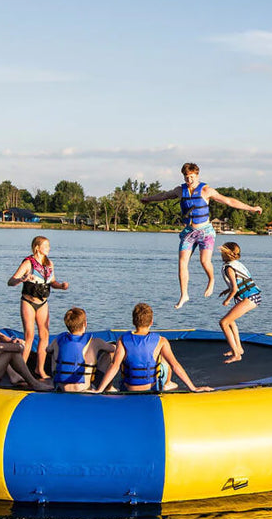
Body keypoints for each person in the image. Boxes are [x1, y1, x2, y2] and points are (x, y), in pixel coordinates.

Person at [140, 162, 263, 309]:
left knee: (204, 261)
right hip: (189, 233)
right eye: (186, 177)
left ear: (197, 175)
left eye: (191, 177)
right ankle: (184, 294)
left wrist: (251, 208)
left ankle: (211, 280)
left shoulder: (206, 190)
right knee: (182, 264)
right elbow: (164, 196)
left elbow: (229, 201)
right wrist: (149, 199)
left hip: (205, 232)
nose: (189, 180)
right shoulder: (180, 190)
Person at [91, 303, 213, 393]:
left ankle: (108, 387)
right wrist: (193, 388)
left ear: (134, 321)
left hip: (128, 388)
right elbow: (175, 365)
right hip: (152, 389)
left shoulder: (123, 339)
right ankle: (168, 383)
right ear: (151, 322)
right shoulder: (161, 341)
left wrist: (100, 389)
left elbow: (115, 366)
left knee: (116, 358)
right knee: (165, 359)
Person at [7, 236, 69, 378]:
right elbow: (10, 281)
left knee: (44, 335)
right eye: (46, 246)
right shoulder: (28, 263)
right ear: (37, 247)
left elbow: (52, 282)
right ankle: (19, 371)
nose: (49, 248)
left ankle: (39, 369)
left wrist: (61, 286)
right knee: (29, 336)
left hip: (43, 303)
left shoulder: (49, 264)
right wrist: (22, 279)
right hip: (28, 302)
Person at [45, 307, 116, 392]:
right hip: (84, 389)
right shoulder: (95, 342)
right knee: (108, 354)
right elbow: (113, 349)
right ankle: (108, 388)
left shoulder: (57, 340)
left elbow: (47, 349)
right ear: (85, 324)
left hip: (61, 388)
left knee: (53, 352)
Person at [216, 242, 262, 364]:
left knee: (224, 322)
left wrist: (227, 300)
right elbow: (240, 281)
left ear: (226, 254)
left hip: (250, 297)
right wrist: (227, 290)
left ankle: (236, 354)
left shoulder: (229, 268)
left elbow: (235, 289)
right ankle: (238, 349)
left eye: (222, 253)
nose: (220, 255)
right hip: (253, 296)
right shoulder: (235, 264)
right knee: (230, 322)